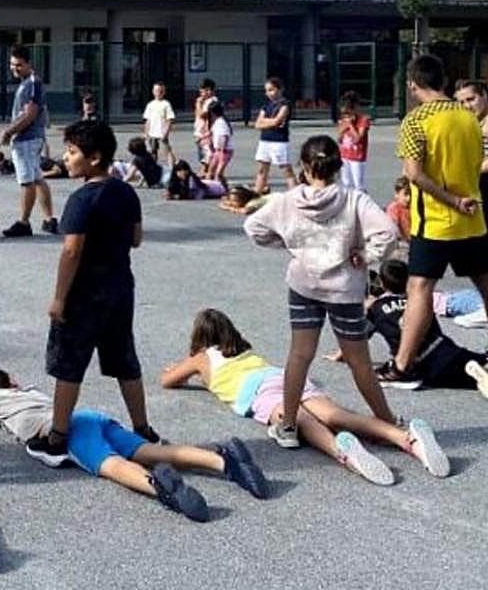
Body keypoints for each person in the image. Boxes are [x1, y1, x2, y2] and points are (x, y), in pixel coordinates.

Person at [161, 309, 450, 485]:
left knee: (301, 421)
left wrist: (183, 368)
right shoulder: (244, 349)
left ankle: (342, 451)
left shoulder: (201, 358)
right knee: (337, 415)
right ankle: (405, 437)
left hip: (256, 391)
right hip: (282, 376)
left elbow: (168, 381)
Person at [243, 135, 400, 448]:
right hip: (344, 289)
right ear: (338, 166)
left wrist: (289, 245)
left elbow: (254, 227)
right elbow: (388, 233)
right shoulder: (354, 200)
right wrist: (366, 255)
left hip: (304, 284)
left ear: (304, 166)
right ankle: (387, 422)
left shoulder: (288, 200)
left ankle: (289, 425)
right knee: (359, 360)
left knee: (299, 355)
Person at [24, 121, 159, 467]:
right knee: (125, 360)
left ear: (94, 157)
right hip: (120, 289)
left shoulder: (82, 199)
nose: (65, 158)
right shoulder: (125, 192)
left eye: (72, 152)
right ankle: (142, 429)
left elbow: (71, 250)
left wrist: (59, 298)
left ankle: (57, 438)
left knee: (69, 365)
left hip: (83, 294)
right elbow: (136, 239)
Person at [0, 368, 269, 521]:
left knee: (111, 465)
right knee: (151, 451)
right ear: (13, 381)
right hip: (90, 416)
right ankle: (222, 459)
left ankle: (159, 487)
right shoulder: (29, 391)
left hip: (69, 431)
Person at [380, 55, 488, 388]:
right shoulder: (469, 117)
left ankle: (403, 365)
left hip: (436, 220)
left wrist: (451, 199)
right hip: (473, 217)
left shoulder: (416, 120)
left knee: (419, 288)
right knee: (485, 283)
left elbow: (413, 173)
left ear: (412, 85)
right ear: (443, 80)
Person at [326, 260, 488, 395]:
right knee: (473, 361)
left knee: (461, 378)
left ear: (382, 283)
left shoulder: (375, 308)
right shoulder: (419, 303)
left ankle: (474, 374)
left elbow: (358, 336)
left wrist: (341, 355)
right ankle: (480, 365)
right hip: (445, 347)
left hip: (420, 363)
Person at [0, 47, 57, 237]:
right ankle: (49, 219)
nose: (14, 68)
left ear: (28, 64)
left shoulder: (32, 83)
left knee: (27, 181)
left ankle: (23, 222)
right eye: (12, 64)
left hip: (26, 139)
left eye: (19, 65)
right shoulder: (28, 83)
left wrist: (9, 132)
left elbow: (30, 114)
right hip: (33, 137)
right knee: (37, 178)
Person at [252, 77, 295, 194]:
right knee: (262, 169)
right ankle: (257, 193)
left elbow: (277, 121)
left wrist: (267, 122)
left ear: (280, 89)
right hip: (264, 141)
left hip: (279, 142)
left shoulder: (285, 105)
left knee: (286, 169)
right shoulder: (266, 106)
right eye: (266, 91)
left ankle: (295, 195)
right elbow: (257, 124)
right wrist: (270, 122)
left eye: (271, 90)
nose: (268, 93)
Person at [453, 78, 488, 208]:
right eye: (462, 102)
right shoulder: (468, 123)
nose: (467, 106)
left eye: (471, 99)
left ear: (484, 95)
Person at [337, 91, 371, 191]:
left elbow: (358, 139)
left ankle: (361, 198)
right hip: (344, 155)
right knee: (345, 183)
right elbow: (339, 139)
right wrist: (343, 129)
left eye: (348, 112)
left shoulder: (363, 120)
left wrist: (351, 126)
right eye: (344, 113)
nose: (346, 115)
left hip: (357, 156)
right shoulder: (344, 120)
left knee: (358, 184)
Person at [142, 81, 177, 164]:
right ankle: (153, 166)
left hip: (162, 131)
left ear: (164, 92)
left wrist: (166, 132)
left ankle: (172, 166)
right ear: (153, 91)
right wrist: (145, 132)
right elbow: (147, 120)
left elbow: (170, 119)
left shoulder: (166, 104)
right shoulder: (150, 104)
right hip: (152, 132)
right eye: (156, 91)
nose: (158, 93)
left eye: (161, 91)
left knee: (167, 150)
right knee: (153, 150)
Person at [192, 79, 219, 173]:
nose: (201, 93)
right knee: (202, 153)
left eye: (203, 91)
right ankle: (206, 170)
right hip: (200, 131)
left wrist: (198, 103)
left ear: (209, 90)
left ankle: (207, 172)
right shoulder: (204, 101)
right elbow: (197, 115)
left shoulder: (212, 101)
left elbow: (202, 115)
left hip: (207, 133)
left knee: (208, 153)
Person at [205, 103, 234, 186]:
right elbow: (211, 132)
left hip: (224, 151)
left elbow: (224, 137)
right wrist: (202, 138)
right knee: (211, 170)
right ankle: (209, 186)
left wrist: (221, 150)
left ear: (213, 113)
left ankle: (221, 188)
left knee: (218, 173)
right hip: (217, 151)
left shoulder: (221, 123)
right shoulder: (216, 122)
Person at [385, 176, 411, 241]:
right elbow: (392, 225)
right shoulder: (394, 208)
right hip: (400, 241)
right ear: (396, 194)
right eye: (406, 194)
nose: (409, 198)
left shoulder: (413, 207)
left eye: (411, 195)